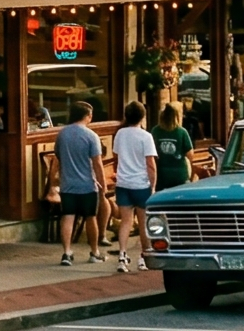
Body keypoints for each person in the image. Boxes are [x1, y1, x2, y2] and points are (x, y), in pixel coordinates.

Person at [111, 101, 158, 275]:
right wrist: (153, 185)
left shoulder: (120, 134)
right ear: (143, 117)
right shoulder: (146, 137)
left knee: (126, 222)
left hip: (123, 183)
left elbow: (116, 158)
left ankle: (122, 256)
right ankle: (143, 257)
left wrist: (120, 172)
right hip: (141, 183)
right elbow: (150, 164)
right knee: (143, 223)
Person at [55, 101, 105, 265]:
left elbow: (58, 157)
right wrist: (102, 184)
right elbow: (97, 163)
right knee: (91, 217)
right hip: (87, 184)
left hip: (67, 184)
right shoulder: (91, 136)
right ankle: (94, 251)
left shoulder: (62, 134)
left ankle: (67, 252)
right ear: (88, 116)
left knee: (68, 217)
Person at [153, 103, 193, 192]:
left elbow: (151, 153)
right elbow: (190, 154)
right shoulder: (182, 132)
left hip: (161, 174)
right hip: (180, 173)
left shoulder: (155, 131)